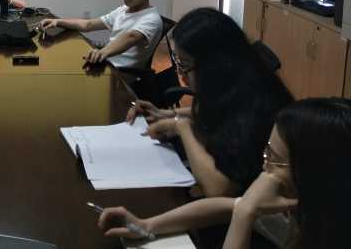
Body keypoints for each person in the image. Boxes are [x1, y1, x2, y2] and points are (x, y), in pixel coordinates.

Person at [96, 98, 351, 249]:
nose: (265, 166)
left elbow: (238, 208)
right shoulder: (300, 203)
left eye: (274, 158)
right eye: (266, 151)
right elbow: (224, 206)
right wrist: (147, 225)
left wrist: (244, 214)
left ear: (316, 171)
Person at [126, 8, 293, 198]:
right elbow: (216, 110)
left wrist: (182, 127)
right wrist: (166, 114)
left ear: (214, 66)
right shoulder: (235, 81)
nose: (181, 75)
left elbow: (219, 188)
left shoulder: (255, 104)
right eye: (178, 62)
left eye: (184, 65)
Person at [39, 0, 161, 69]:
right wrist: (57, 22)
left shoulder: (152, 18)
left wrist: (102, 52)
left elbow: (131, 36)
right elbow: (88, 24)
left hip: (121, 74)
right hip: (105, 63)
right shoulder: (123, 10)